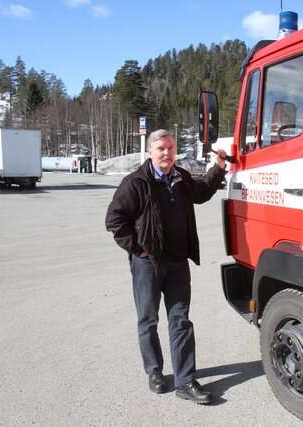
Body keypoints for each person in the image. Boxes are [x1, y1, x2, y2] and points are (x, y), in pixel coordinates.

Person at [105, 129, 226, 404]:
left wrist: (218, 169)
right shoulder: (135, 183)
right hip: (147, 264)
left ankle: (185, 381)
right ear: (150, 151)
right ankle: (155, 372)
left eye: (170, 148)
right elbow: (114, 220)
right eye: (160, 148)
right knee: (148, 320)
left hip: (177, 263)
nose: (167, 153)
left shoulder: (180, 177)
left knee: (181, 320)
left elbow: (202, 192)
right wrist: (139, 249)